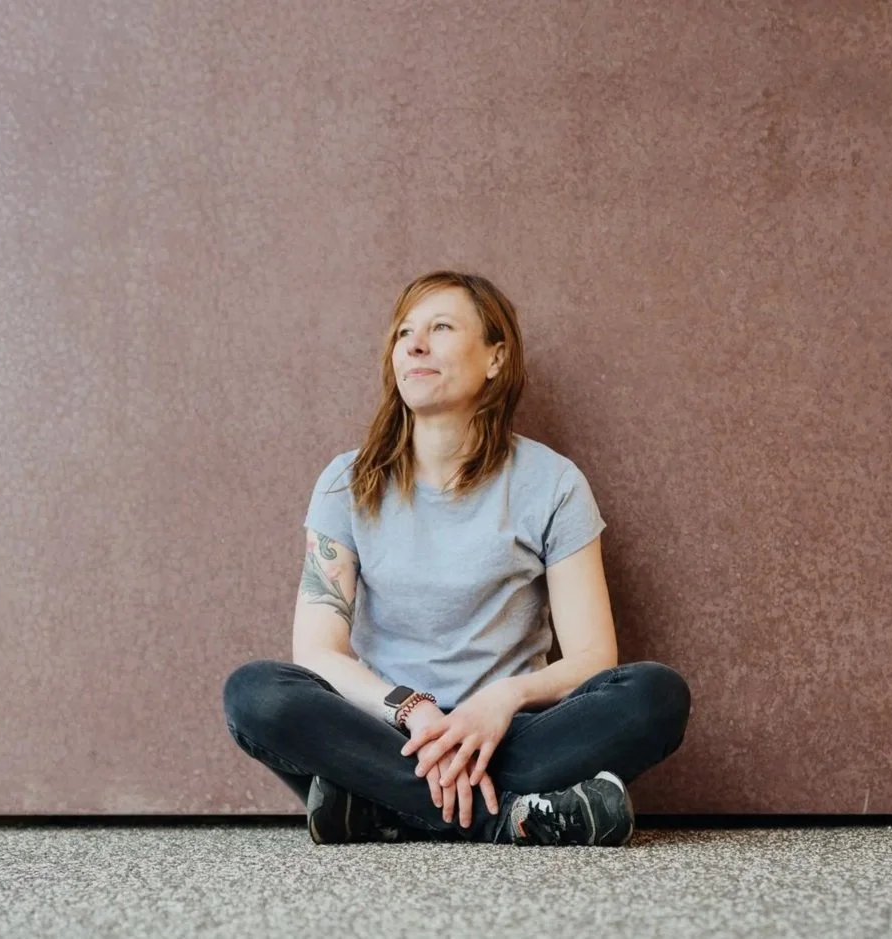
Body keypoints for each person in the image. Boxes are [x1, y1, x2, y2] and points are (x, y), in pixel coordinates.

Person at [223, 270, 691, 846]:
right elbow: (319, 651)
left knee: (655, 695)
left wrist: (501, 700)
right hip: (386, 728)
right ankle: (512, 818)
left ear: (496, 358)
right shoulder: (345, 482)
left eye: (440, 327)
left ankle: (379, 809)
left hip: (509, 732)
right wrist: (412, 710)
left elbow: (594, 657)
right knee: (255, 693)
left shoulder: (553, 483)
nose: (414, 345)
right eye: (403, 333)